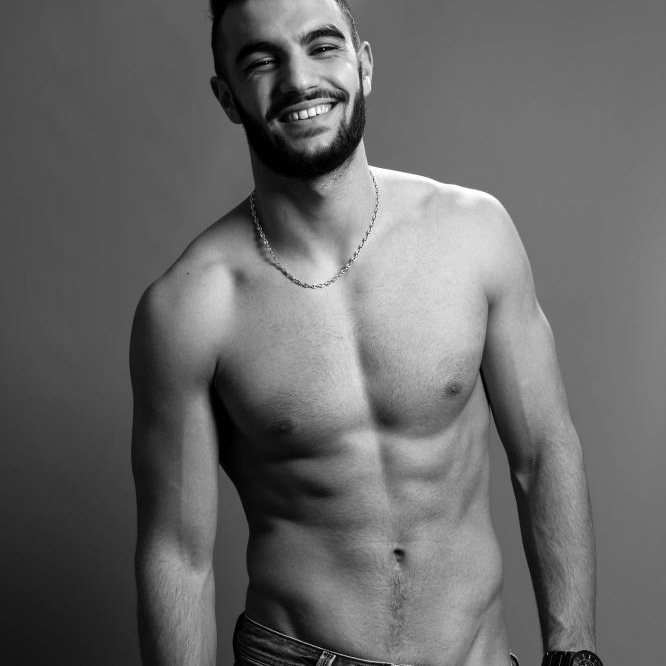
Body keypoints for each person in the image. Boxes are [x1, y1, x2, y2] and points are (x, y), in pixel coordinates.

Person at [130, 1, 602, 665]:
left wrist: (573, 649)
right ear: (228, 97)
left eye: (322, 46)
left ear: (364, 65)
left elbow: (545, 452)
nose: (299, 80)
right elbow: (178, 556)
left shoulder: (473, 234)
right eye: (262, 61)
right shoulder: (191, 308)